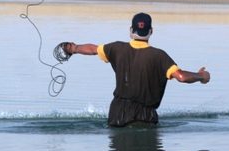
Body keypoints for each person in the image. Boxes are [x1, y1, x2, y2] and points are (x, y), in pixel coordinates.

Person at [60, 12, 210, 127]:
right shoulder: (159, 56)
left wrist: (74, 48)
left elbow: (93, 49)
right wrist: (202, 76)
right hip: (143, 117)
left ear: (131, 30)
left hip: (116, 114)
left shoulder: (116, 48)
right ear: (151, 31)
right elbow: (182, 77)